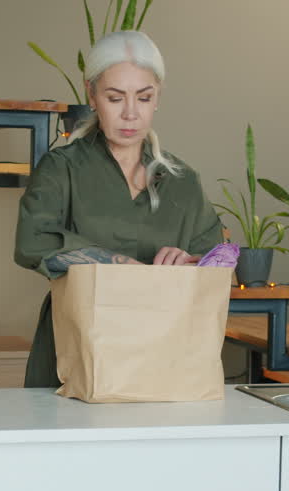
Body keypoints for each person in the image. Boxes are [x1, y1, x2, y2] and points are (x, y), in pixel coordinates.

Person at [14, 30, 223, 388]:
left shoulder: (183, 181)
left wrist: (187, 261)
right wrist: (128, 267)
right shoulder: (61, 169)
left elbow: (218, 264)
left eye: (144, 97)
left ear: (157, 97)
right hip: (76, 355)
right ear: (91, 94)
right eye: (115, 98)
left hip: (164, 359)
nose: (130, 113)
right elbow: (32, 243)